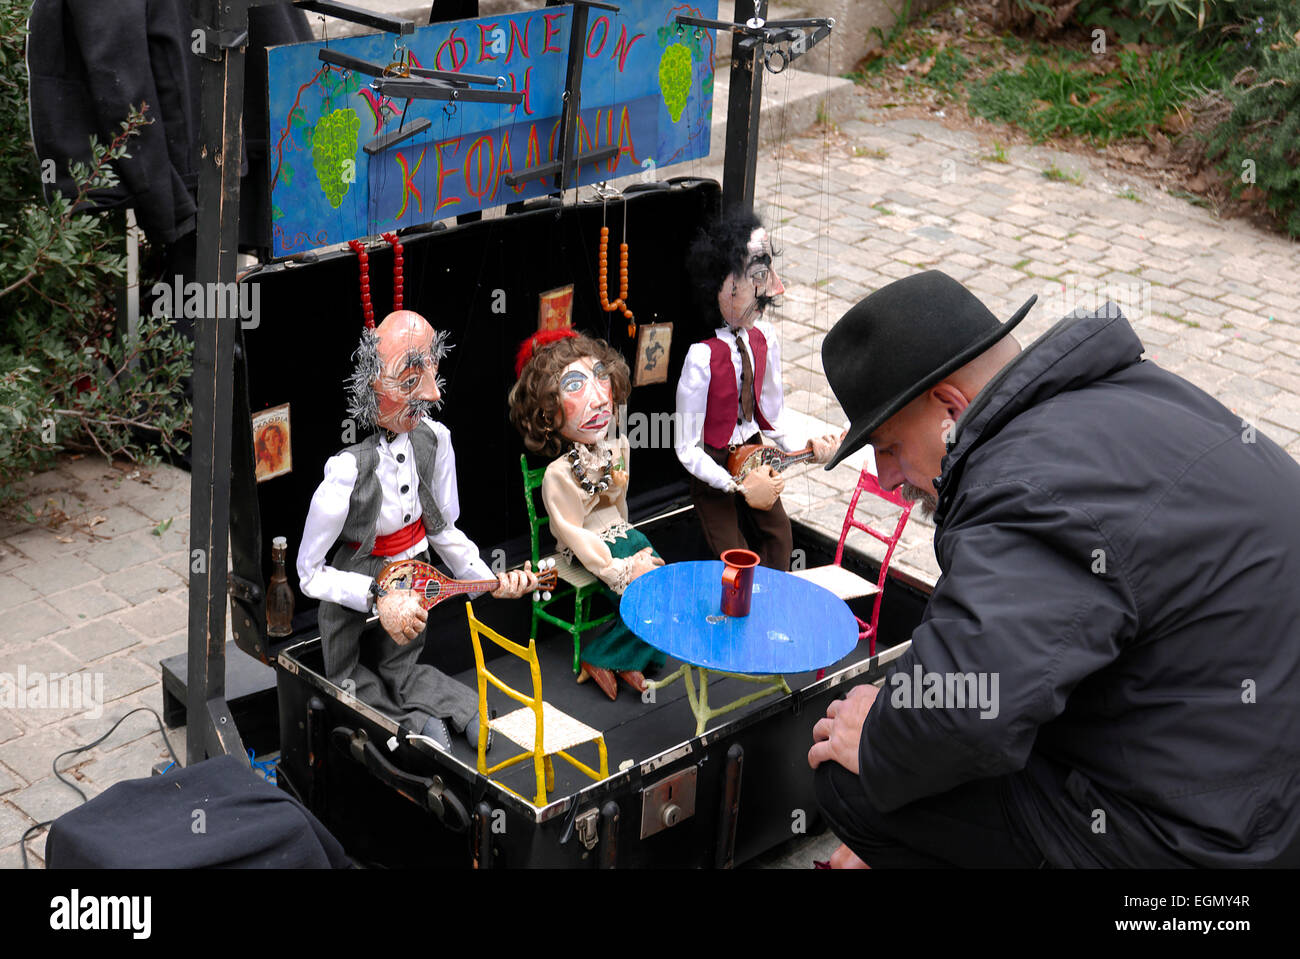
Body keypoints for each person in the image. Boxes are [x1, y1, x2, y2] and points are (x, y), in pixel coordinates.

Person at [807, 270, 1300, 868]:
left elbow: (964, 714)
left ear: (950, 407)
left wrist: (883, 739)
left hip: (1200, 844)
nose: (885, 477)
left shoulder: (1026, 489)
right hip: (1256, 785)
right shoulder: (1137, 396)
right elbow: (1020, 644)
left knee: (851, 777)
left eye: (887, 445)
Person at [297, 309, 537, 750]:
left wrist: (484, 581)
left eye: (432, 372)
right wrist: (375, 596)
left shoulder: (435, 440)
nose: (430, 393)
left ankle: (460, 710)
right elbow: (308, 573)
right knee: (349, 679)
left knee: (401, 667)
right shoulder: (346, 470)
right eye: (410, 381)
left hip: (418, 576)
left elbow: (444, 528)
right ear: (373, 385)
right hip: (359, 580)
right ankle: (411, 726)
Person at [677, 212, 840, 570]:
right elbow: (686, 448)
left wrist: (807, 447)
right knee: (734, 557)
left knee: (780, 538)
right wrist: (733, 484)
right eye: (759, 276)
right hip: (716, 465)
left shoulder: (765, 338)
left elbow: (773, 418)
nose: (775, 288)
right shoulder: (701, 358)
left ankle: (768, 605)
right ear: (724, 283)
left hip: (756, 455)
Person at [508, 329, 666, 700]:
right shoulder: (558, 475)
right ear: (547, 413)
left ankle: (626, 659)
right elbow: (572, 533)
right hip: (592, 548)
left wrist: (616, 484)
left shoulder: (615, 447)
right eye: (576, 385)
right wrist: (616, 570)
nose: (599, 398)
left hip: (624, 534)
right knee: (651, 597)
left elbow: (618, 506)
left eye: (601, 377)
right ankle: (599, 655)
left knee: (662, 588)